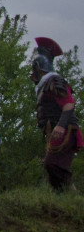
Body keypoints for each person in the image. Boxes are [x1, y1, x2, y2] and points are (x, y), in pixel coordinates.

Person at [31, 37, 82, 192]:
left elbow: (68, 104)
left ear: (39, 67)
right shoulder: (46, 83)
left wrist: (60, 126)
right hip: (55, 131)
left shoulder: (54, 80)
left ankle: (74, 197)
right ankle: (63, 198)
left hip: (65, 130)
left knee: (53, 164)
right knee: (52, 168)